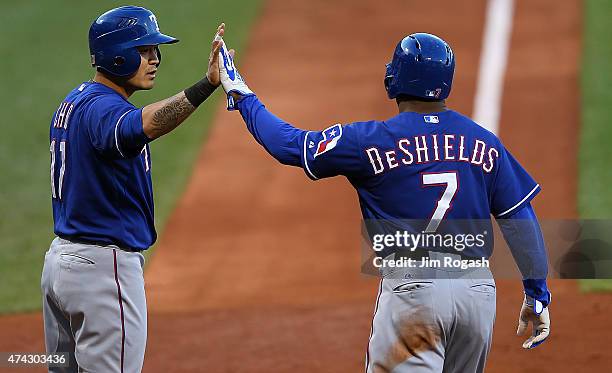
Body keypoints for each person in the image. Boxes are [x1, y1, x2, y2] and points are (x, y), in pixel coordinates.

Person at [216, 33, 551, 372]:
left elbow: (288, 145)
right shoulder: (484, 142)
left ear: (397, 78)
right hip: (477, 295)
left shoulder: (368, 140)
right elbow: (519, 216)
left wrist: (241, 94)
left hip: (415, 290)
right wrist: (537, 293)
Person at [41, 6, 224, 372]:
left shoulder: (76, 100)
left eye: (155, 50)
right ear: (117, 54)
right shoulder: (104, 111)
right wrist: (206, 86)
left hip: (61, 265)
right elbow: (145, 126)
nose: (155, 59)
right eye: (144, 50)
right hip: (102, 272)